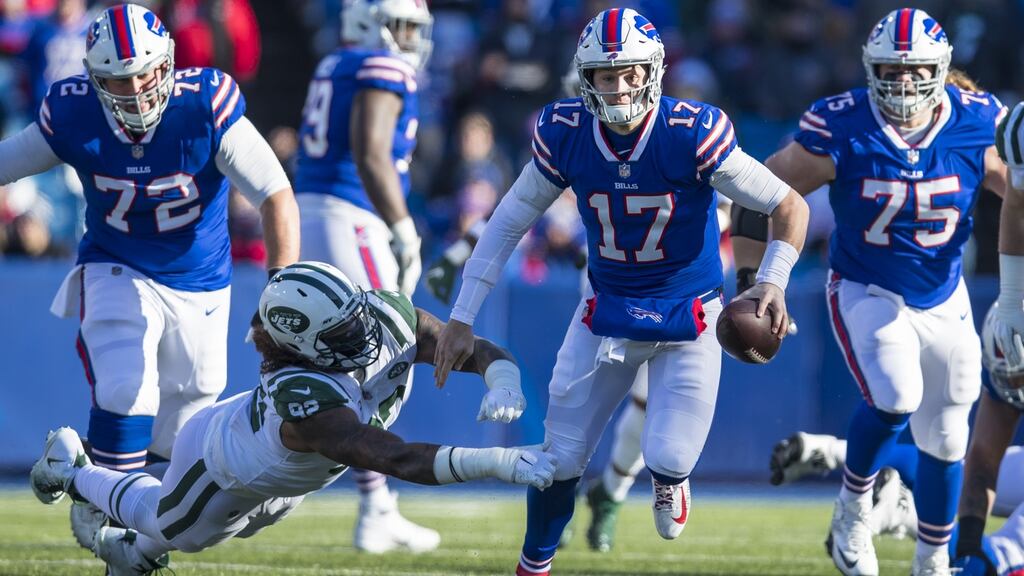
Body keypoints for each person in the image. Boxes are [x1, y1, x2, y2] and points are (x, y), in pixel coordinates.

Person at [433, 8, 809, 575]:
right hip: (605, 310)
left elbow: (788, 205)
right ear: (586, 80)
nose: (621, 86)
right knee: (557, 459)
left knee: (668, 455)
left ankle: (669, 480)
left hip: (693, 315)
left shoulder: (690, 134)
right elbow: (507, 223)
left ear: (653, 71)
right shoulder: (567, 134)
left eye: (631, 72)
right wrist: (461, 317)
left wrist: (772, 282)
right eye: (606, 76)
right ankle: (534, 564)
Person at [0, 0, 300, 551]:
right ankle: (103, 517)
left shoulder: (204, 105)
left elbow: (276, 194)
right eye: (118, 80)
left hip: (202, 279)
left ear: (168, 65)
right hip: (116, 264)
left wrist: (281, 292)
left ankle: (80, 473)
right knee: (125, 388)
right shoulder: (73, 114)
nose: (136, 91)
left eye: (145, 73)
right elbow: (7, 161)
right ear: (94, 81)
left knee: (185, 429)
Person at [29, 261, 556, 575]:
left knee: (256, 523)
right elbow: (393, 456)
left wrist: (501, 378)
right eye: (342, 334)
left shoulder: (383, 314)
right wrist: (499, 462)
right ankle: (73, 470)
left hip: (288, 478)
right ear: (303, 348)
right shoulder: (300, 393)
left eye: (357, 316)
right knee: (178, 528)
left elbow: (460, 345)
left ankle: (130, 558)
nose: (362, 334)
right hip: (220, 464)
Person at [730, 9, 1010, 576]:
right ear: (869, 68)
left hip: (944, 294)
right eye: (889, 70)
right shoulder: (843, 123)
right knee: (896, 395)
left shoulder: (979, 122)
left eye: (915, 71)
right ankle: (852, 511)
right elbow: (760, 189)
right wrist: (754, 280)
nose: (902, 83)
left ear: (940, 70)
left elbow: (1021, 193)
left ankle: (932, 559)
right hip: (866, 288)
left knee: (949, 432)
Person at [292, 0, 439, 553]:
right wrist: (403, 227)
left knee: (331, 362)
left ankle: (374, 501)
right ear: (370, 19)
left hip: (313, 208)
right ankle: (376, 503)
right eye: (401, 25)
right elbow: (372, 153)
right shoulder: (383, 66)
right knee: (391, 351)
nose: (409, 39)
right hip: (350, 216)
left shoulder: (335, 62)